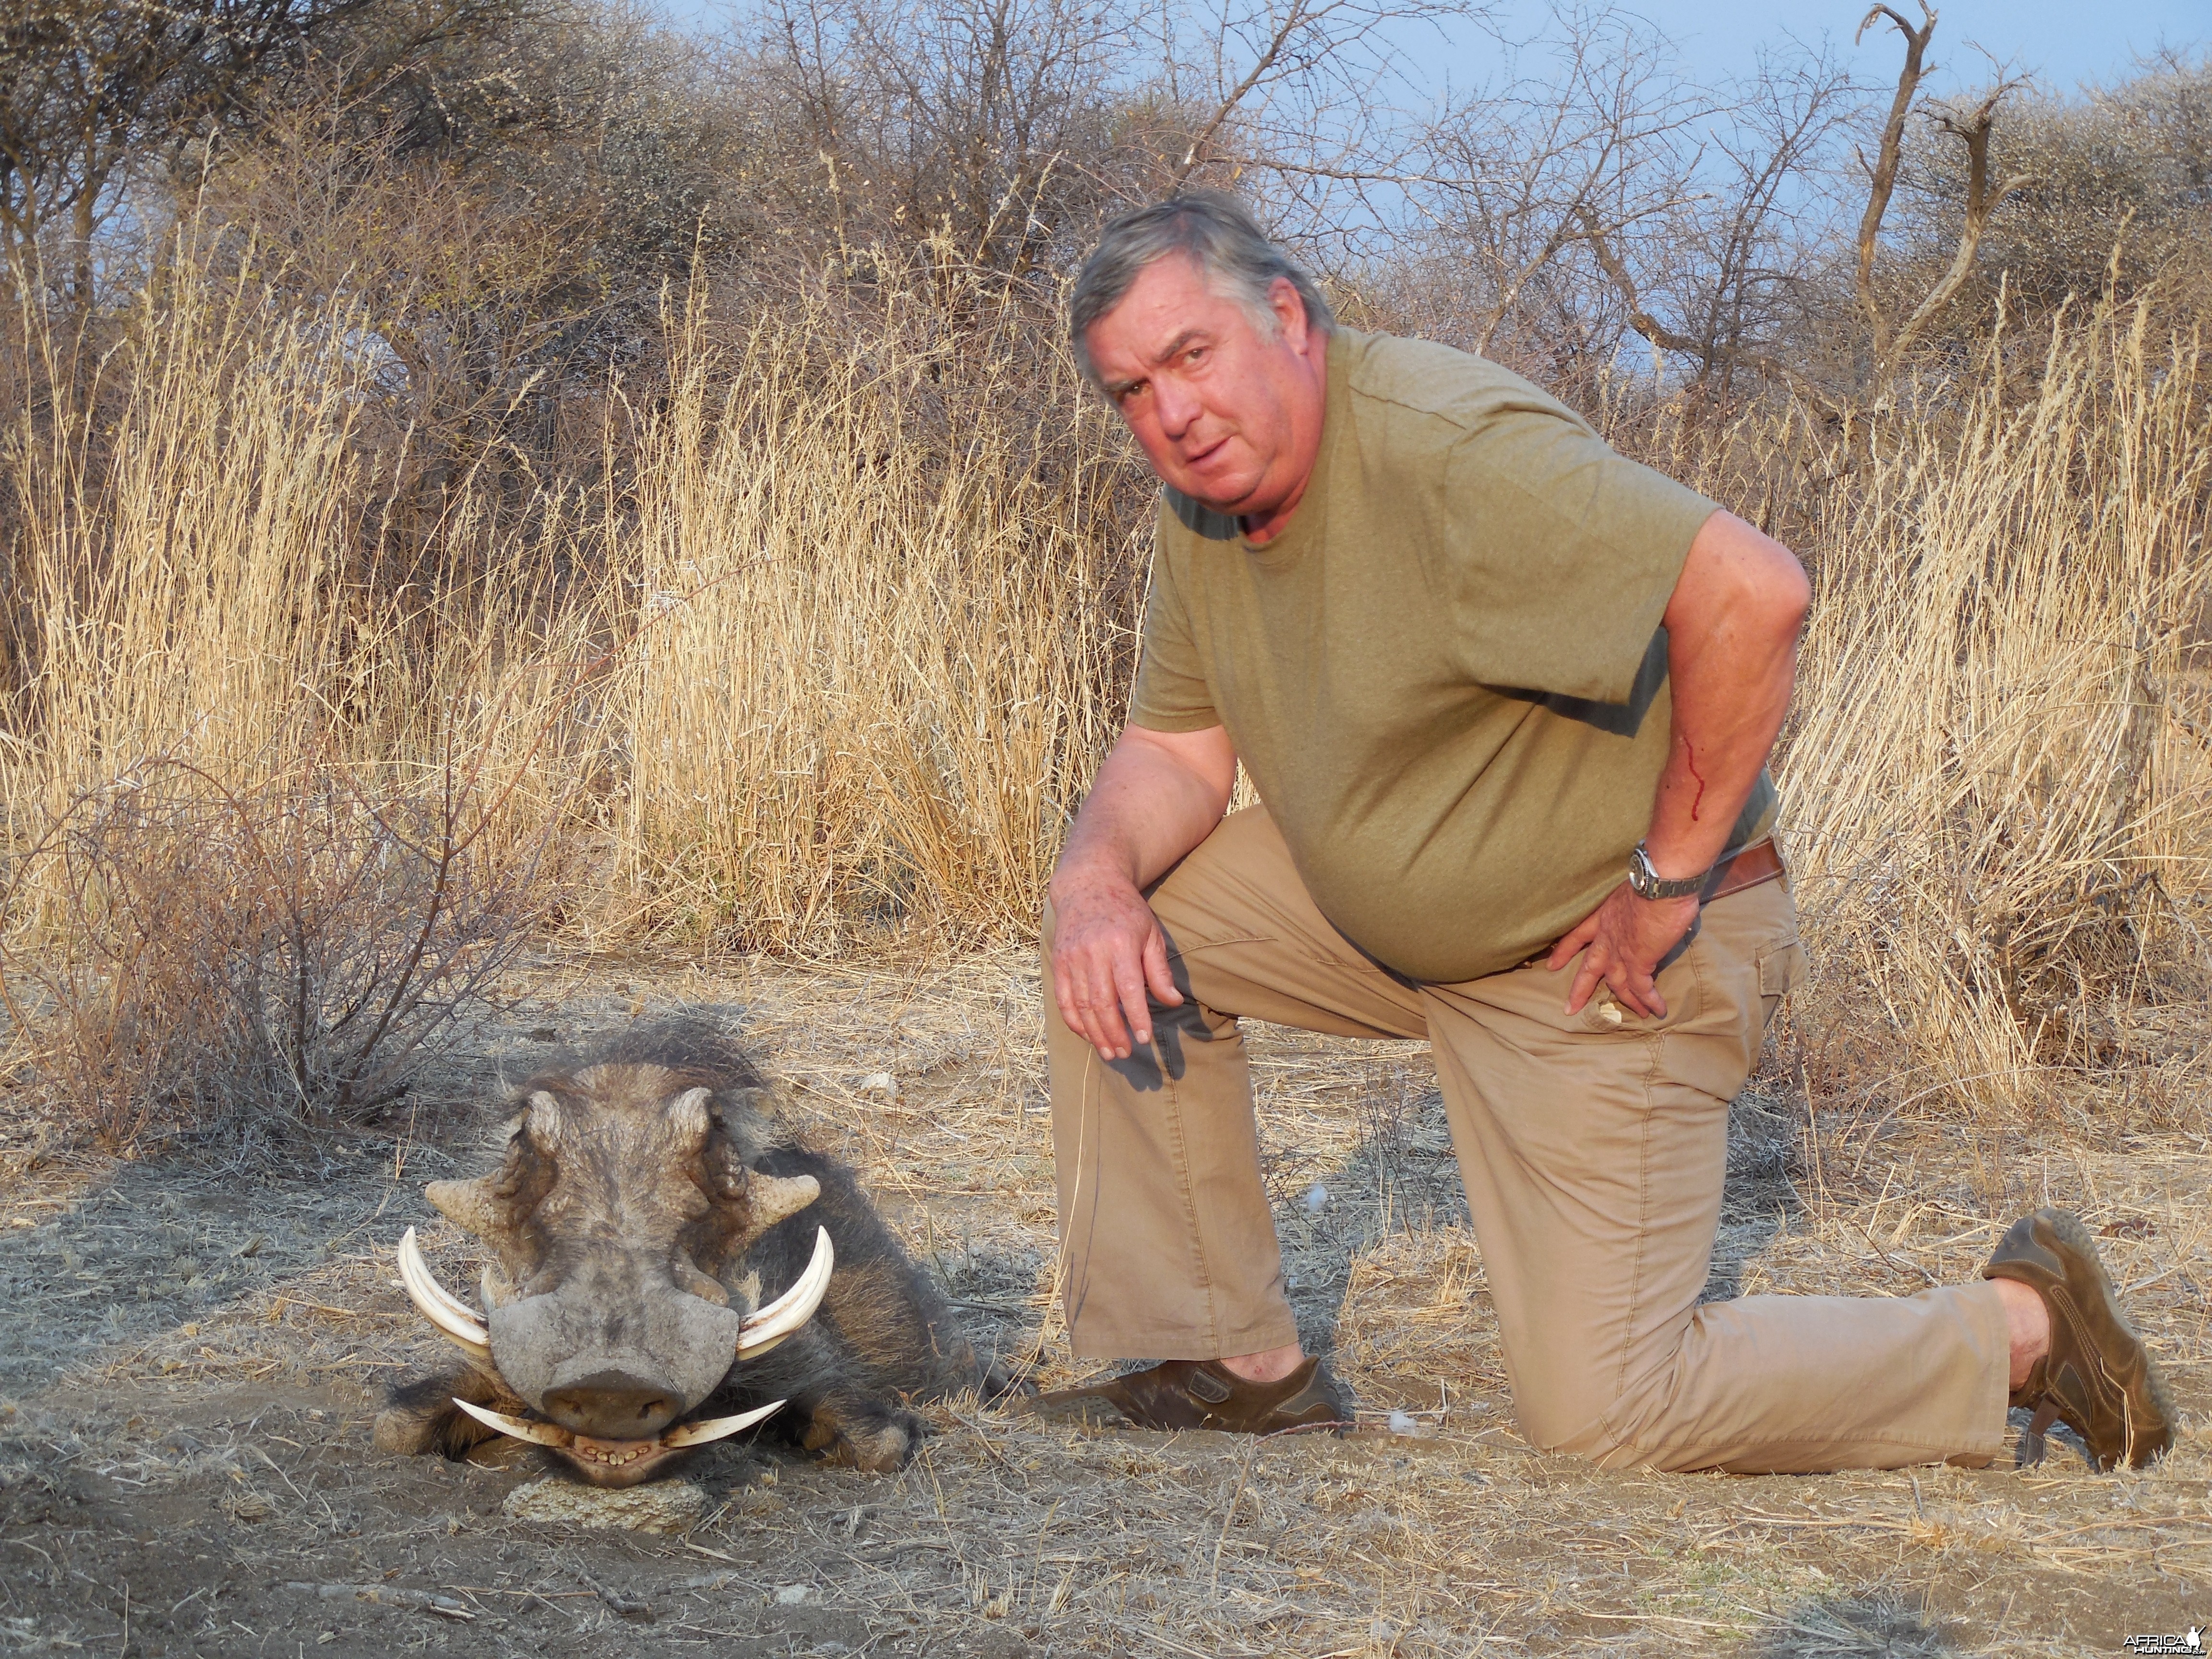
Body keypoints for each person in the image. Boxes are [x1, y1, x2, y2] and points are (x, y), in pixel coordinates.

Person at [1036, 191, 2173, 1473]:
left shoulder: (1441, 444)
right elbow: (1177, 752)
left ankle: (2022, 1327)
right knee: (1123, 928)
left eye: (1191, 357)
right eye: (1132, 391)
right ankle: (1232, 1363)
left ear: (1287, 317)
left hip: (1596, 950)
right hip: (1398, 926)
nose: (1171, 414)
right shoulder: (1205, 510)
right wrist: (1089, 881)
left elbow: (1754, 590)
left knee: (1607, 1413)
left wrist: (1668, 874)